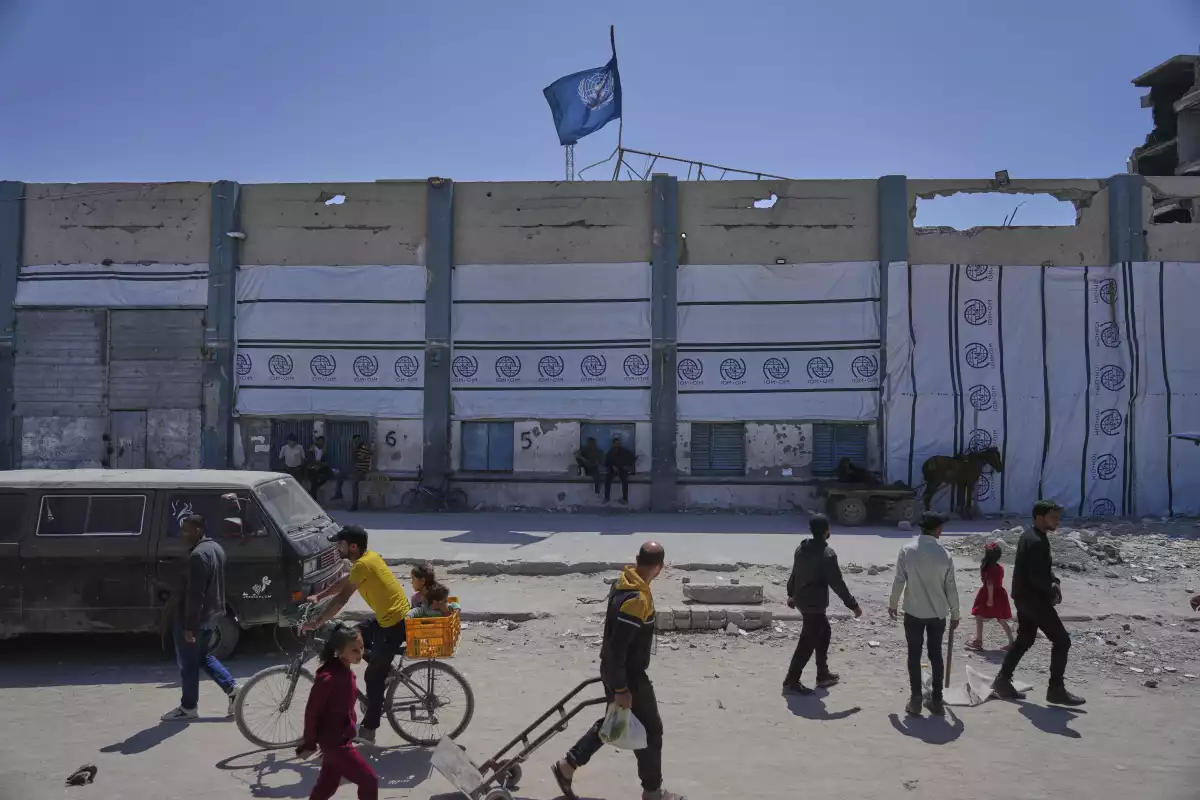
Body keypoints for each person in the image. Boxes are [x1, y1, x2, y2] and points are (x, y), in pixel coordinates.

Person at [552, 542, 684, 800]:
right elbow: (618, 649)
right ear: (660, 567)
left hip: (617, 671)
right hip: (629, 675)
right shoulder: (636, 599)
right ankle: (653, 793)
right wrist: (621, 688)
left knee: (616, 723)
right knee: (651, 732)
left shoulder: (624, 581)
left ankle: (567, 766)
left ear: (637, 559)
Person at [303, 525, 412, 745]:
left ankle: (369, 729)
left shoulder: (363, 564)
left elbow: (342, 599)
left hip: (395, 624)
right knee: (353, 635)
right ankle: (385, 668)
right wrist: (320, 596)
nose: (337, 548)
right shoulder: (365, 560)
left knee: (372, 677)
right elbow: (345, 582)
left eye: (340, 544)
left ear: (353, 546)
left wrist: (317, 622)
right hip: (388, 618)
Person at [992, 500, 1086, 706]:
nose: (1057, 521)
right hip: (1034, 600)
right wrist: (1051, 590)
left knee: (1025, 639)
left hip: (1024, 598)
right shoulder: (1036, 541)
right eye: (1053, 517)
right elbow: (1037, 576)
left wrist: (1054, 581)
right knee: (1062, 641)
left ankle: (1002, 681)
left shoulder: (1031, 536)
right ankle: (1056, 690)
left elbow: (1042, 571)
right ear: (1039, 517)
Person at [161, 514, 240, 721]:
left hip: (196, 619)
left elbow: (195, 595)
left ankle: (188, 708)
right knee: (202, 657)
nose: (182, 534)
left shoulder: (197, 555)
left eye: (186, 529)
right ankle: (232, 689)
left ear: (198, 530)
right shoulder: (216, 548)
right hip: (213, 616)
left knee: (189, 664)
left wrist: (189, 627)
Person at [888, 511, 961, 717]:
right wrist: (955, 614)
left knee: (914, 654)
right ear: (937, 529)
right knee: (935, 655)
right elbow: (951, 588)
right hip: (938, 614)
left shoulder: (907, 550)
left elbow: (899, 580)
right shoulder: (945, 555)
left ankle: (916, 699)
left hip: (913, 611)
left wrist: (893, 603)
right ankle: (937, 700)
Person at [782, 513, 862, 695]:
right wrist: (853, 605)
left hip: (803, 600)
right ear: (827, 531)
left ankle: (823, 674)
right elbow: (837, 583)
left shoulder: (801, 548)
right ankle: (791, 681)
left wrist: (791, 594)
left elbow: (795, 574)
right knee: (807, 642)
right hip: (814, 604)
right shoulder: (827, 554)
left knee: (824, 631)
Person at [298, 623, 379, 800]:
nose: (360, 653)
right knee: (369, 781)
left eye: (362, 648)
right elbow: (312, 713)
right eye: (354, 650)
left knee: (327, 785)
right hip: (336, 743)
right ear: (340, 651)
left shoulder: (342, 670)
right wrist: (310, 744)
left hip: (338, 739)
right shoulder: (329, 678)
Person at [966, 542, 1014, 652]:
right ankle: (1011, 642)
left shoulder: (987, 568)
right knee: (1001, 618)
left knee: (979, 615)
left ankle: (978, 641)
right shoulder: (999, 567)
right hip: (1000, 594)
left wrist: (990, 599)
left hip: (989, 594)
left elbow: (990, 584)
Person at [604, 436, 636, 505]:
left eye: (619, 443)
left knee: (625, 481)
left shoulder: (624, 451)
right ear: (613, 444)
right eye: (616, 444)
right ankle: (607, 497)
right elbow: (607, 463)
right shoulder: (610, 452)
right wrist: (612, 467)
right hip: (613, 470)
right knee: (607, 479)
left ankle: (625, 498)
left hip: (622, 469)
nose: (618, 445)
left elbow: (633, 458)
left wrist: (627, 466)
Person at [345, 434, 373, 511]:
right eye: (356, 440)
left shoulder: (364, 447)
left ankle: (355, 504)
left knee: (354, 484)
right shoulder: (358, 448)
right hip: (356, 468)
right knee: (341, 474)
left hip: (362, 469)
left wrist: (355, 450)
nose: (357, 441)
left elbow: (358, 459)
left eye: (358, 440)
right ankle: (338, 492)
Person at [306, 435, 336, 500]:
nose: (321, 443)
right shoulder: (312, 450)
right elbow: (311, 461)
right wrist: (320, 464)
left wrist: (321, 464)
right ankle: (313, 499)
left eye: (323, 442)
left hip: (320, 468)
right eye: (320, 441)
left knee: (330, 473)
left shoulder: (324, 450)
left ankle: (317, 486)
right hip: (312, 468)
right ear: (317, 442)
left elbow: (327, 461)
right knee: (314, 480)